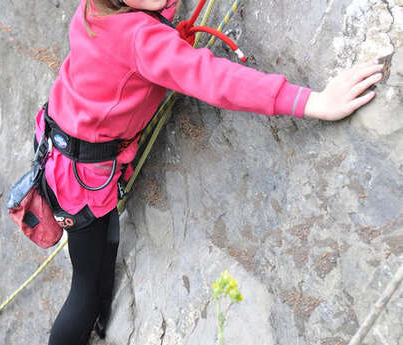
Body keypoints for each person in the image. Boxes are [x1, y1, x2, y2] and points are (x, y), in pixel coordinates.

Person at [34, 0, 384, 344]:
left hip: (63, 147)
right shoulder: (141, 39)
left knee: (101, 253)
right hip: (81, 178)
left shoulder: (97, 10)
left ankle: (101, 323)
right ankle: (89, 321)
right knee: (84, 287)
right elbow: (215, 78)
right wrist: (312, 102)